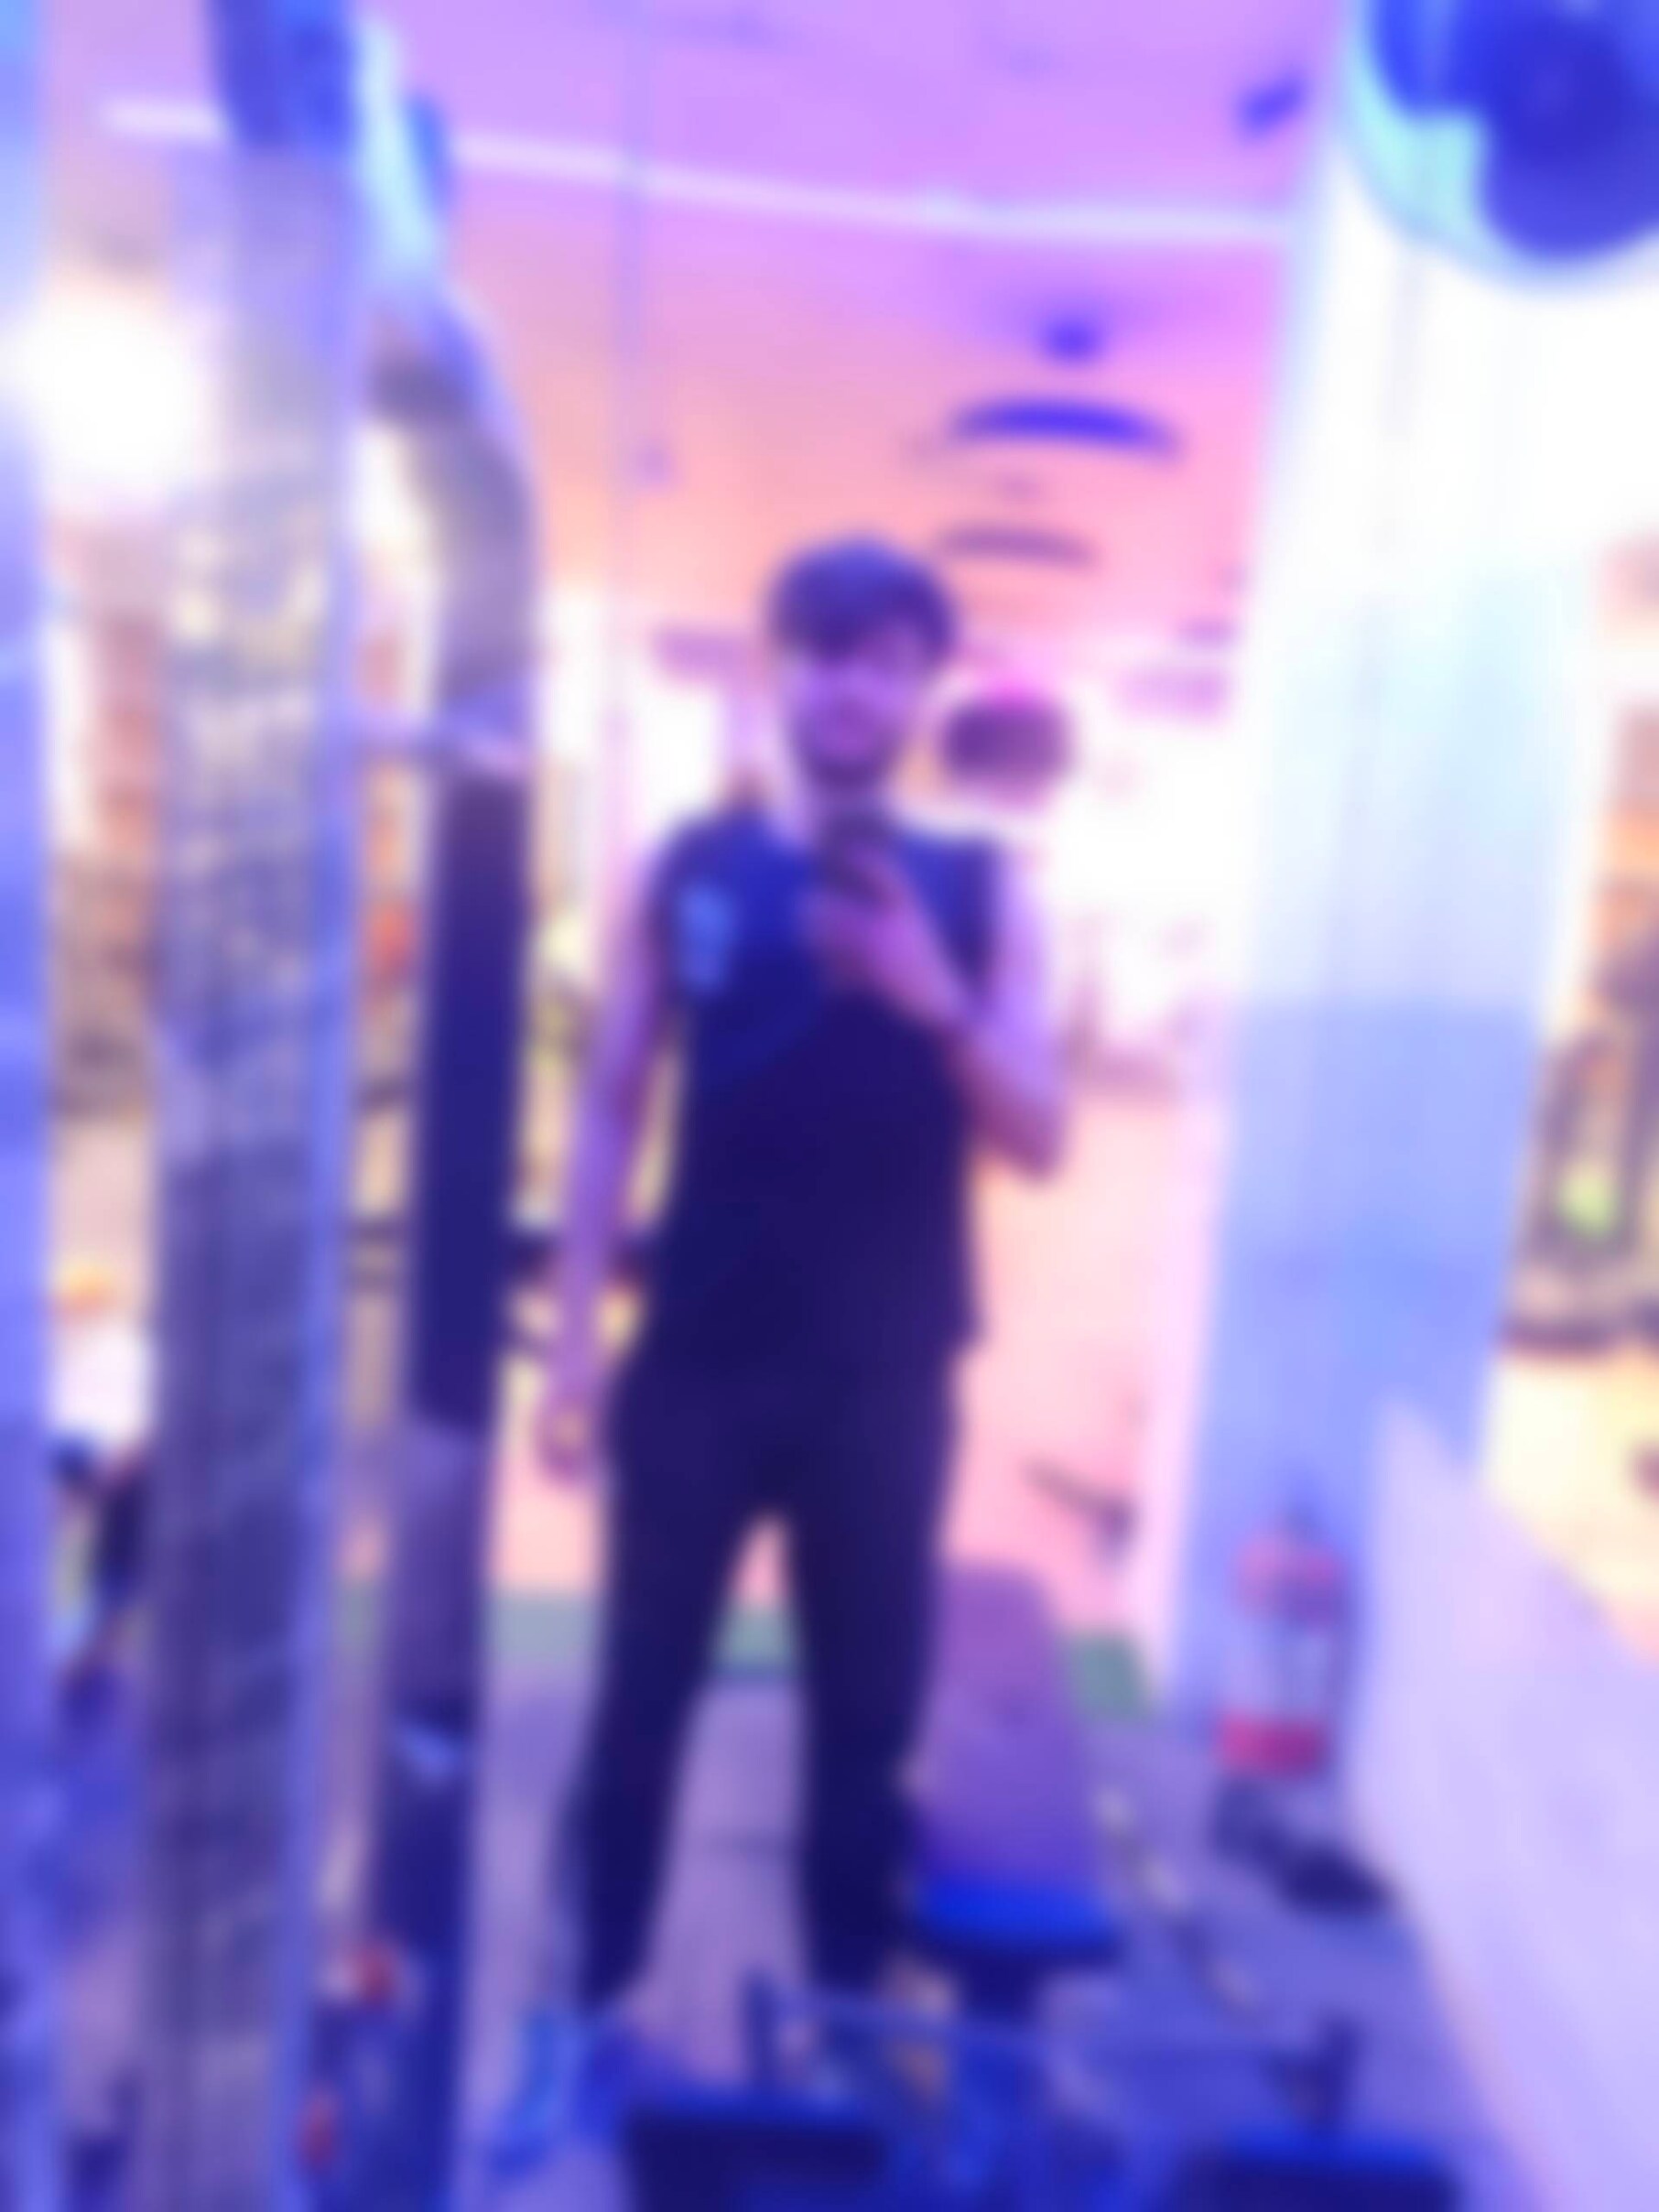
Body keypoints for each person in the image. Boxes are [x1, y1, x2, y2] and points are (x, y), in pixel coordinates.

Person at [490, 538, 1065, 2167]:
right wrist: (575, 1347)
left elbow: (1041, 1137)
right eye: (820, 651)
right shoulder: (688, 868)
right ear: (773, 670)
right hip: (696, 1370)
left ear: (923, 688)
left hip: (886, 1382)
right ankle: (586, 2011)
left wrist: (934, 996)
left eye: (885, 658)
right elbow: (610, 1109)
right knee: (637, 1709)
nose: (848, 686)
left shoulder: (986, 890)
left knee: (863, 1732)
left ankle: (850, 2036)